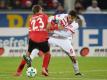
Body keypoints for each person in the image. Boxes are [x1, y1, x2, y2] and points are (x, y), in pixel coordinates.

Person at [27, 10, 82, 75]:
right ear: (68, 15)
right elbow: (51, 18)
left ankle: (77, 72)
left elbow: (66, 34)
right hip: (53, 36)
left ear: (75, 18)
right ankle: (30, 59)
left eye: (72, 18)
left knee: (73, 57)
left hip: (64, 39)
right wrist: (50, 23)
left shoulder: (75, 24)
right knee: (40, 44)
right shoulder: (62, 16)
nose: (70, 19)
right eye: (69, 17)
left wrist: (52, 30)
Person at [15, 5, 52, 76]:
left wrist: (32, 39)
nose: (42, 11)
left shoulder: (31, 18)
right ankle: (44, 69)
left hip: (32, 39)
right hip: (42, 39)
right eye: (41, 9)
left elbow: (30, 30)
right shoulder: (44, 16)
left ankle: (18, 72)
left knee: (27, 55)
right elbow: (48, 27)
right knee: (47, 54)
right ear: (39, 10)